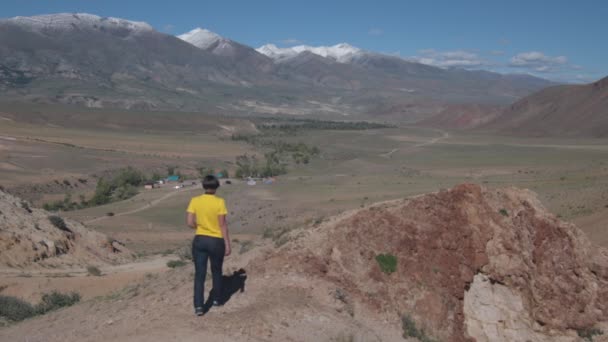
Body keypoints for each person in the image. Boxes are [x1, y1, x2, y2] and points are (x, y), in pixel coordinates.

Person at [186, 175, 231, 316]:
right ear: (216, 187)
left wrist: (199, 227)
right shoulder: (220, 202)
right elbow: (222, 224)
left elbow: (189, 222)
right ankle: (217, 300)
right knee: (216, 271)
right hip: (216, 240)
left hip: (200, 239)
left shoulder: (195, 200)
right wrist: (227, 243)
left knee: (200, 274)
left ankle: (199, 306)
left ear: (204, 186)